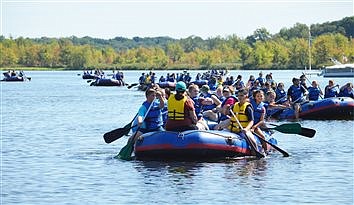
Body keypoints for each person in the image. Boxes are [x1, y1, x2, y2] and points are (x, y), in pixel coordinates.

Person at [223, 89, 262, 156]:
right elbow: (226, 113)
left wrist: (246, 129)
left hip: (244, 129)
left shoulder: (248, 107)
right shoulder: (234, 105)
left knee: (251, 139)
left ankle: (255, 153)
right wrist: (227, 108)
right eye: (238, 96)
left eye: (241, 95)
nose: (239, 97)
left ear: (246, 96)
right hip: (233, 128)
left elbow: (251, 121)